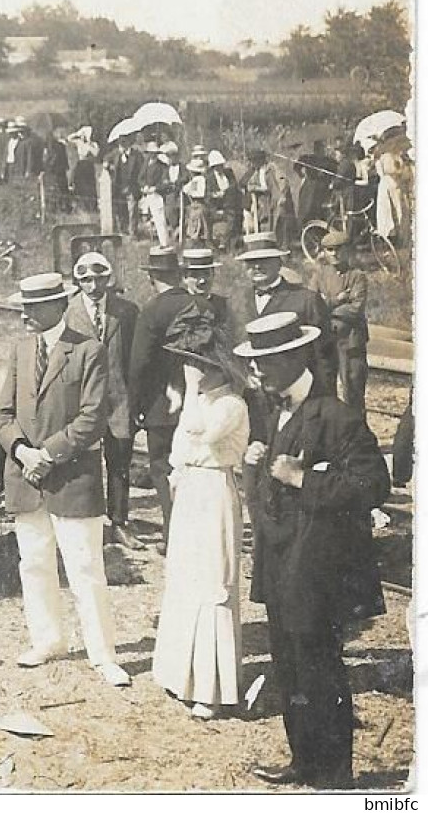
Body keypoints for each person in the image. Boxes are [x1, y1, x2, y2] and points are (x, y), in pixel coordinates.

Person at [237, 313, 389, 788]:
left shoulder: (337, 416)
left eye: (264, 362)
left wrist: (303, 478)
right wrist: (256, 468)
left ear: (291, 359)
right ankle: (303, 759)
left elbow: (373, 484)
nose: (256, 372)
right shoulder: (271, 408)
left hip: (318, 567)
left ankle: (335, 774)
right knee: (289, 665)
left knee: (320, 667)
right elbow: (269, 490)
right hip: (280, 561)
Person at [0, 273, 129, 687]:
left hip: (71, 479)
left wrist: (47, 455)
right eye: (23, 307)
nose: (24, 315)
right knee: (33, 563)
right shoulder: (19, 350)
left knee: (85, 568)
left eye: (33, 307)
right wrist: (22, 452)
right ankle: (48, 639)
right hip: (25, 477)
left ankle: (103, 654)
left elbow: (92, 419)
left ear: (59, 307)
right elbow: (2, 414)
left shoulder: (89, 351)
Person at [150, 303, 251, 720]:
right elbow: (178, 450)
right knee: (185, 576)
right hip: (191, 491)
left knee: (212, 580)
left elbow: (199, 433)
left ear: (219, 370)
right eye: (190, 364)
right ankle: (181, 673)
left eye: (199, 365)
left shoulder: (230, 406)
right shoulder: (203, 399)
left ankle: (212, 688)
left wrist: (189, 391)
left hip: (213, 492)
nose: (192, 370)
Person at [128, 247, 233, 539]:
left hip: (161, 406)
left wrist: (135, 405)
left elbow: (139, 364)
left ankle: (173, 531)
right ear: (179, 274)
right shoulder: (205, 307)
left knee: (162, 467)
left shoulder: (151, 310)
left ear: (152, 278)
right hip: (202, 399)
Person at [64, 252, 139, 542]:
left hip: (119, 399)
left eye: (98, 279)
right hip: (84, 401)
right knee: (84, 462)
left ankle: (119, 522)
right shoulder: (68, 313)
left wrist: (136, 401)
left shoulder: (126, 311)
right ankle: (91, 522)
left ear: (108, 279)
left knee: (120, 462)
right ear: (78, 282)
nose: (93, 286)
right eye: (85, 280)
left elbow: (136, 358)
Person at [233, 232, 337, 394]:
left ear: (279, 262)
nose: (257, 267)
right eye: (251, 262)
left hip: (297, 397)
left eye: (264, 260)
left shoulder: (306, 300)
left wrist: (322, 400)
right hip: (250, 396)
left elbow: (325, 356)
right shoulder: (235, 301)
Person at [308, 231, 370, 409]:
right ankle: (333, 431)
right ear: (324, 252)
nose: (334, 254)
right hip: (327, 339)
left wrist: (326, 306)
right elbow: (313, 304)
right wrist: (337, 300)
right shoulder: (320, 275)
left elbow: (355, 309)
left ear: (348, 251)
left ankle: (357, 432)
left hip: (351, 341)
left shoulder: (357, 276)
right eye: (329, 250)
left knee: (353, 388)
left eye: (339, 250)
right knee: (326, 388)